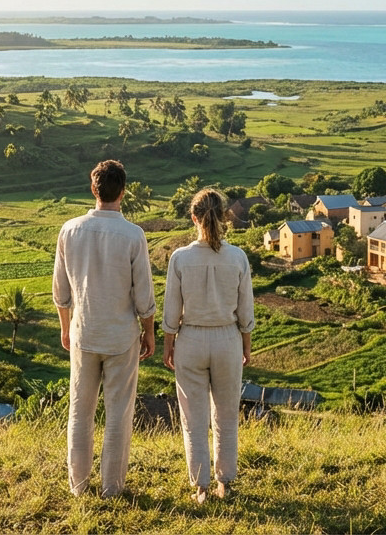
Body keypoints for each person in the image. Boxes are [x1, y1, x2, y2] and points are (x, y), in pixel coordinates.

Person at [52, 159, 157, 497]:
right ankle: (112, 488)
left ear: (93, 189)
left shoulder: (70, 230)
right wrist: (150, 330)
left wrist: (66, 329)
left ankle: (78, 487)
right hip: (121, 336)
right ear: (123, 192)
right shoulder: (133, 235)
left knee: (80, 413)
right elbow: (144, 294)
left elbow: (61, 293)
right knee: (118, 415)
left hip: (84, 333)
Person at [162, 187, 254, 504]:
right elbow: (246, 311)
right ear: (225, 216)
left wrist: (168, 345)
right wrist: (246, 344)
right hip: (228, 338)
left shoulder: (180, 258)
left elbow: (171, 312)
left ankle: (200, 486)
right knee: (226, 418)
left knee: (193, 420)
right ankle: (224, 482)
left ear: (194, 218)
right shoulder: (238, 257)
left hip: (190, 340)